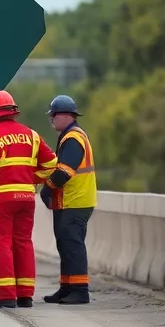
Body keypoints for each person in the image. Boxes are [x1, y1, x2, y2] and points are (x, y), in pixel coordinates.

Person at [0, 91, 58, 309]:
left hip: (0, 200)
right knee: (23, 242)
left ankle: (6, 294)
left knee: (0, 243)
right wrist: (30, 178)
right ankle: (25, 294)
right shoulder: (32, 135)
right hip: (26, 197)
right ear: (13, 111)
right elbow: (51, 165)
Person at [40, 94, 97, 305]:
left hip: (76, 200)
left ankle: (80, 290)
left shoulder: (73, 137)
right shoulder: (70, 135)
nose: (52, 119)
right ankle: (67, 287)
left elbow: (65, 170)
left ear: (65, 115)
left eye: (54, 115)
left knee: (73, 245)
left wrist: (47, 188)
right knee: (65, 244)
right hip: (70, 201)